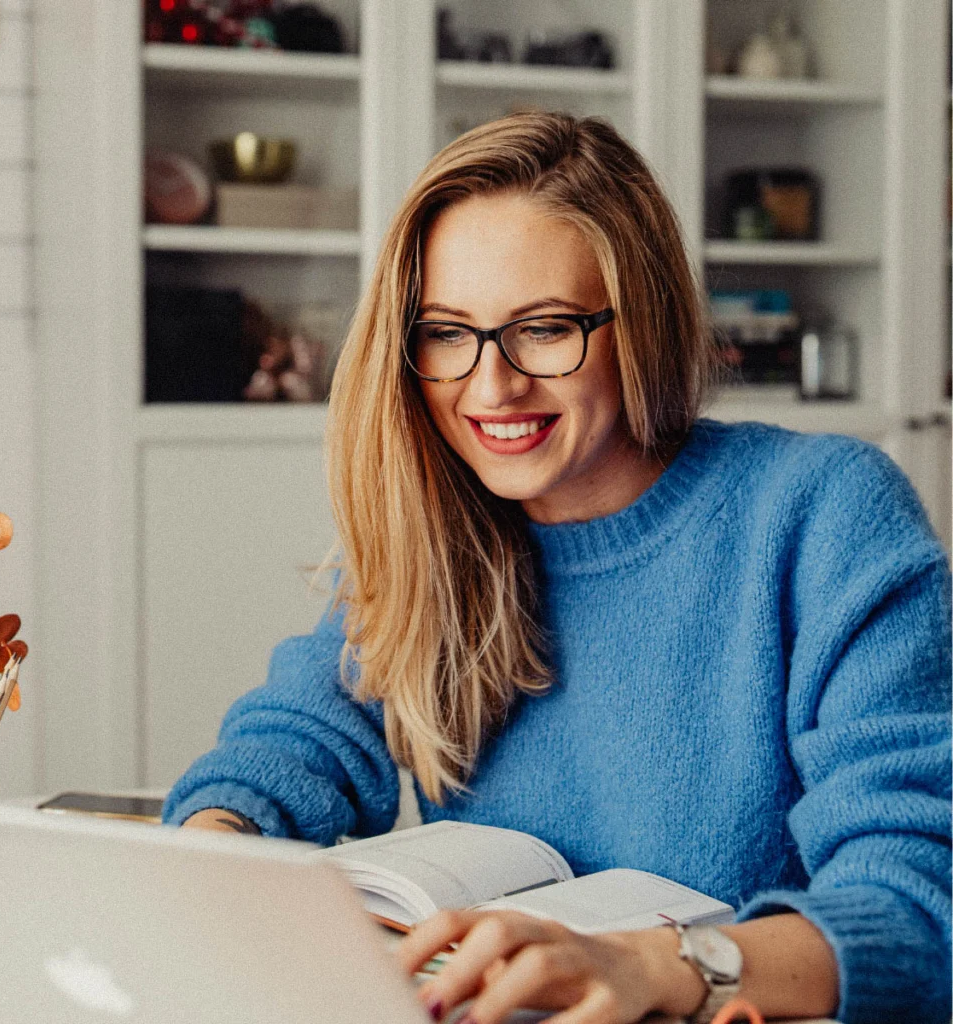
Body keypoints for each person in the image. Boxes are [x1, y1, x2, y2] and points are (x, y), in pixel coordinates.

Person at [162, 112, 951, 1024]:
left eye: (542, 329)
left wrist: (655, 967)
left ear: (640, 321)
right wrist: (210, 853)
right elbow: (293, 741)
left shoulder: (822, 514)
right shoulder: (441, 526)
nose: (491, 387)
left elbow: (917, 911)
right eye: (448, 333)